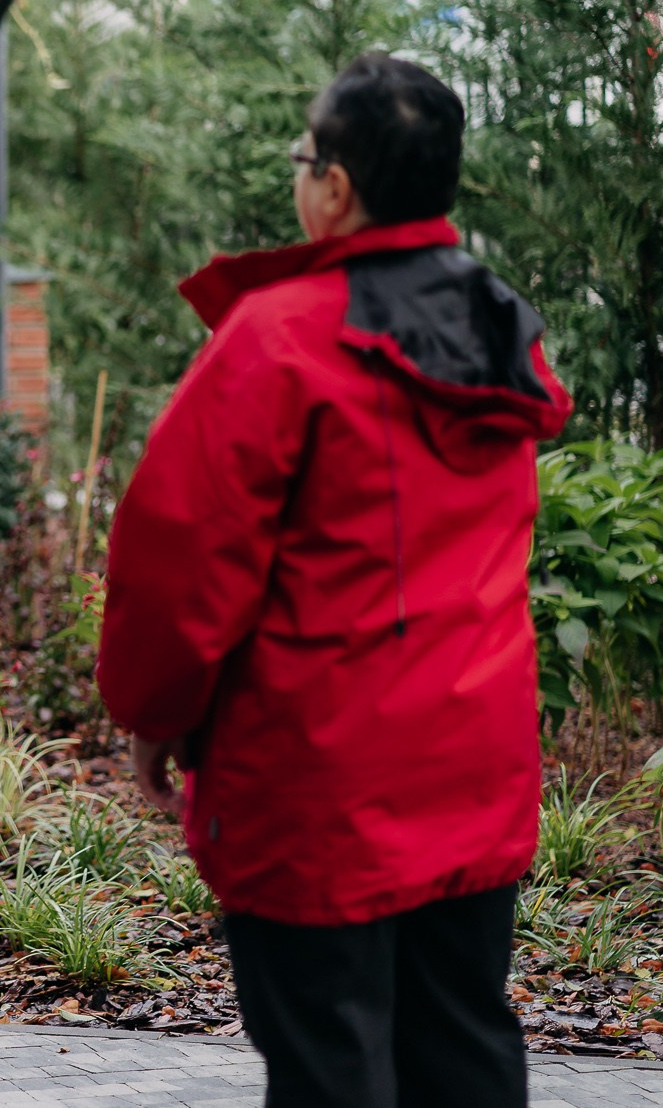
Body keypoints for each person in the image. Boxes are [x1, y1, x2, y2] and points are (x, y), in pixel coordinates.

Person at [96, 54, 572, 1107]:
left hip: (319, 793)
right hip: (468, 777)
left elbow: (178, 561)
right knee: (462, 1059)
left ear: (336, 187)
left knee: (326, 1072)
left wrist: (150, 713)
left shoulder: (276, 341)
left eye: (303, 157)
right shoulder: (500, 331)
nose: (298, 176)